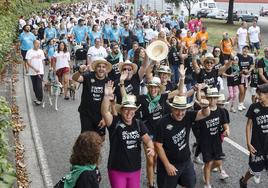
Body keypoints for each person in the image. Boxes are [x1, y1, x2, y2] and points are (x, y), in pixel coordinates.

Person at [101, 85, 155, 188]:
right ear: (121, 110)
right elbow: (104, 112)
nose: (129, 113)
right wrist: (107, 97)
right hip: (117, 169)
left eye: (132, 110)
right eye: (126, 109)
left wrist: (151, 148)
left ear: (135, 111)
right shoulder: (115, 122)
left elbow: (147, 140)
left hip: (135, 169)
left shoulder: (139, 124)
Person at [154, 94, 210, 188]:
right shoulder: (162, 123)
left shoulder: (188, 115)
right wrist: (167, 165)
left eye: (183, 110)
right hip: (168, 164)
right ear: (172, 108)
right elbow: (158, 145)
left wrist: (206, 107)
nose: (180, 113)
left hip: (186, 162)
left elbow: (205, 114)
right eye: (177, 110)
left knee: (190, 184)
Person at [198, 88, 230, 188]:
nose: (212, 101)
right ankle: (207, 184)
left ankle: (206, 168)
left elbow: (225, 124)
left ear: (217, 98)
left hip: (217, 141)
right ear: (207, 98)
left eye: (215, 98)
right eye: (210, 98)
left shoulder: (221, 111)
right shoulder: (203, 111)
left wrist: (227, 130)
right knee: (209, 162)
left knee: (218, 162)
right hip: (205, 141)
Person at [72, 59, 112, 136]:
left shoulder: (108, 82)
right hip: (86, 113)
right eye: (99, 67)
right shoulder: (88, 76)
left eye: (103, 67)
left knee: (100, 138)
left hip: (101, 115)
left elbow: (110, 101)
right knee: (86, 137)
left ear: (106, 69)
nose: (101, 69)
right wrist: (80, 71)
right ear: (95, 68)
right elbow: (75, 78)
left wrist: (105, 118)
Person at [239, 83, 268, 188]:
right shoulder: (254, 107)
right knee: (253, 170)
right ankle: (243, 180)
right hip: (257, 145)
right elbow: (248, 126)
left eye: (261, 94)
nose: (258, 95)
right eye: (258, 93)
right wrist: (248, 143)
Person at [25, 40, 45, 105]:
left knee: (39, 85)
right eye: (37, 44)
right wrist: (34, 69)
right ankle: (37, 97)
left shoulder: (41, 51)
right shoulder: (29, 51)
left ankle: (40, 99)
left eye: (39, 44)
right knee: (34, 86)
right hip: (32, 72)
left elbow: (42, 61)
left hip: (40, 72)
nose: (38, 45)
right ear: (33, 44)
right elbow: (28, 62)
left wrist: (41, 69)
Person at [237, 45, 254, 111]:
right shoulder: (239, 56)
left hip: (247, 76)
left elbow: (252, 66)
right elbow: (235, 64)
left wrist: (248, 71)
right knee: (241, 90)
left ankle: (241, 103)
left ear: (248, 51)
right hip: (240, 76)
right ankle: (239, 104)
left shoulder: (250, 58)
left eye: (247, 49)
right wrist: (241, 71)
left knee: (245, 91)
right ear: (242, 49)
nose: (245, 50)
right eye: (244, 48)